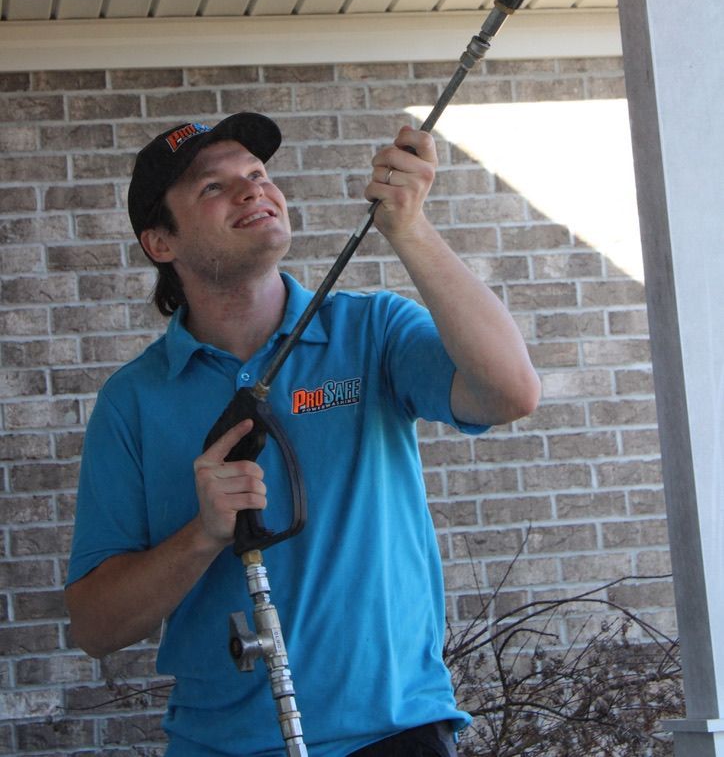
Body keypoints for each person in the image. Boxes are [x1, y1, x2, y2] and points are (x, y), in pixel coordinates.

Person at [65, 111, 540, 757]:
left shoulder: (370, 331)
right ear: (160, 242)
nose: (253, 189)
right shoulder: (132, 401)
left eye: (258, 174)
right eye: (213, 186)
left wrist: (410, 229)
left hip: (396, 732)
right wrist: (202, 535)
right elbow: (95, 624)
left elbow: (511, 391)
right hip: (224, 746)